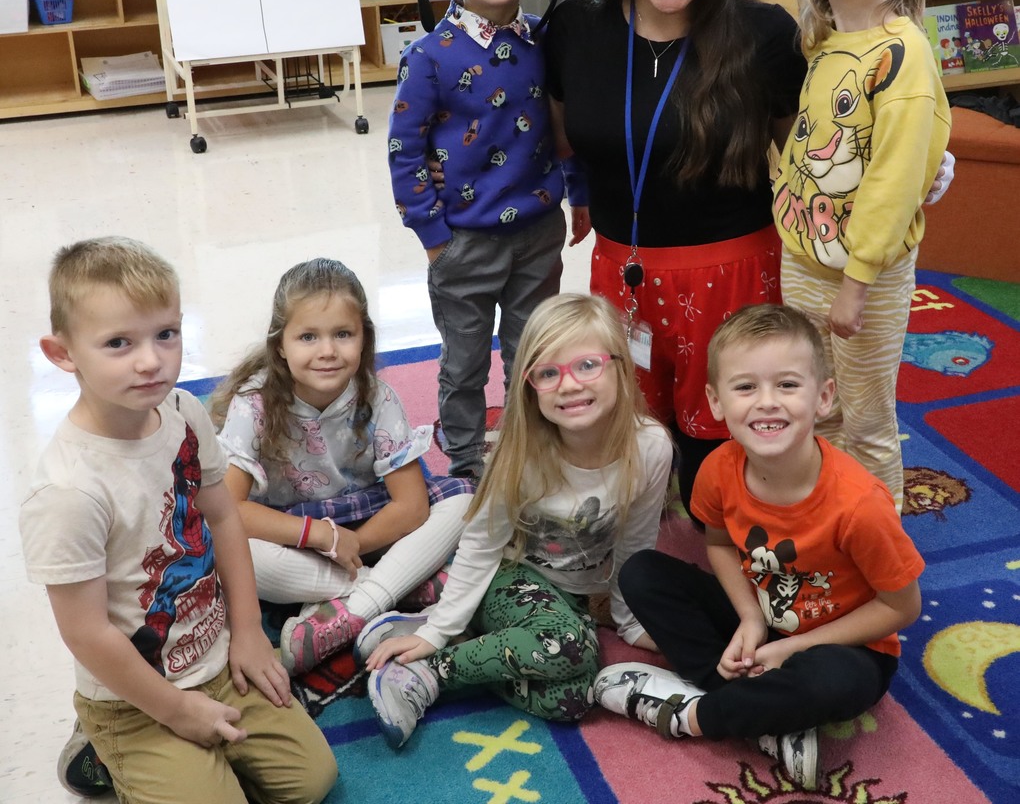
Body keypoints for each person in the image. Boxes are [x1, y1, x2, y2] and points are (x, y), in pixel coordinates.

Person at [544, 0, 807, 517]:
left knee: (727, 464)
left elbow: (814, 156)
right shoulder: (574, 28)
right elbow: (553, 137)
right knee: (628, 440)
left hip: (737, 276)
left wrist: (914, 169)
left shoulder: (764, 35)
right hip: (621, 273)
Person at [20, 236, 337, 804]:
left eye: (166, 333)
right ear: (62, 353)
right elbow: (86, 632)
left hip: (215, 659)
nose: (151, 360)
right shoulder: (68, 491)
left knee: (313, 783)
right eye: (118, 342)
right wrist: (176, 710)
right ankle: (99, 747)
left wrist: (248, 633)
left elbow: (224, 518)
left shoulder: (183, 413)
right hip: (133, 700)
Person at [593, 303, 924, 791]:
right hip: (764, 621)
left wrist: (793, 648)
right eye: (746, 387)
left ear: (824, 397)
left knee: (832, 683)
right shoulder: (717, 470)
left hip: (841, 646)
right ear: (716, 402)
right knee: (641, 573)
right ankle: (766, 717)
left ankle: (694, 714)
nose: (767, 402)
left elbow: (902, 605)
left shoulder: (860, 505)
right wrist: (750, 618)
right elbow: (720, 543)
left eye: (788, 385)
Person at [353, 293, 674, 748]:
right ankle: (425, 672)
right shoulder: (520, 454)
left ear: (622, 368)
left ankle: (463, 637)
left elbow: (637, 542)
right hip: (508, 576)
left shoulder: (652, 446)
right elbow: (482, 543)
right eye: (548, 373)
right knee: (568, 648)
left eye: (587, 365)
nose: (569, 385)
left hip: (577, 599)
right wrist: (436, 633)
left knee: (575, 698)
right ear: (529, 387)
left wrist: (628, 618)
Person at [387, 0, 587, 481]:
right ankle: (468, 463)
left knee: (534, 351)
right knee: (466, 359)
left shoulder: (544, 43)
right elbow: (404, 149)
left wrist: (578, 193)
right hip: (464, 241)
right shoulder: (429, 55)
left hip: (538, 230)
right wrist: (432, 233)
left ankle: (536, 446)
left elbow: (561, 122)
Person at [772, 0, 952, 510]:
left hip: (863, 277)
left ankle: (878, 549)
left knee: (868, 418)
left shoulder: (903, 52)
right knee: (817, 405)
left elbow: (896, 178)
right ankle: (830, 522)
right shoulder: (824, 44)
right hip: (805, 259)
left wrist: (858, 279)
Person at [213, 257, 474, 675]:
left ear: (364, 340)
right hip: (286, 532)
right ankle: (396, 591)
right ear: (280, 345)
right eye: (308, 337)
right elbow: (228, 509)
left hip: (367, 522)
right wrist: (317, 535)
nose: (328, 351)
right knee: (220, 545)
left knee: (465, 505)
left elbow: (410, 507)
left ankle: (350, 612)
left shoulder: (379, 398)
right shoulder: (255, 403)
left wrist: (351, 547)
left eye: (343, 334)